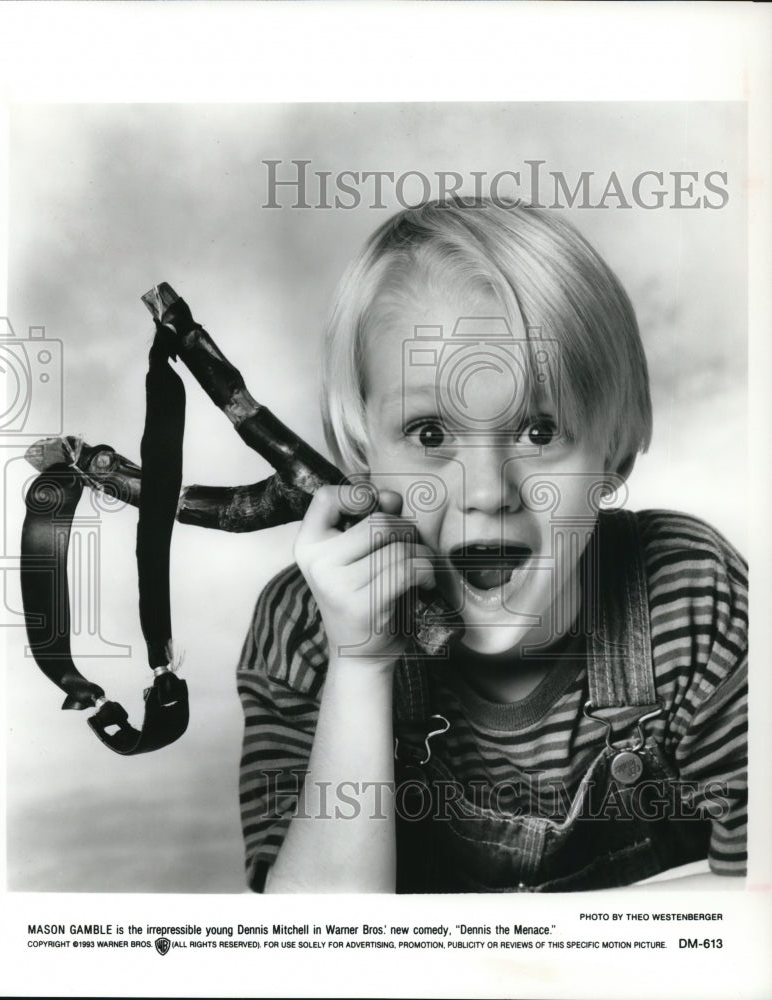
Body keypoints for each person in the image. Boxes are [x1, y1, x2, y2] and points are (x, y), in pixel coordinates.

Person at [236, 199, 748, 893]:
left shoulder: (691, 597)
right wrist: (360, 668)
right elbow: (319, 947)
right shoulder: (305, 634)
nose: (485, 491)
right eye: (428, 435)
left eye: (538, 433)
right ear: (362, 458)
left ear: (614, 455)